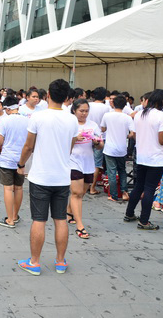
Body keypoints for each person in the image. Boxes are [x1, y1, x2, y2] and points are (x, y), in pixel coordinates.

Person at [16, 79, 78, 276]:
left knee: (39, 219)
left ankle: (34, 262)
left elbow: (28, 146)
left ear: (47, 95)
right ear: (67, 97)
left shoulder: (38, 117)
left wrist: (21, 164)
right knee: (60, 219)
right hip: (61, 176)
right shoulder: (72, 119)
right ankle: (60, 261)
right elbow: (70, 145)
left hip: (41, 176)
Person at [125, 89, 163, 230]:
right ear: (162, 101)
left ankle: (129, 214)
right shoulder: (162, 116)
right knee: (149, 189)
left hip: (141, 156)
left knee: (139, 186)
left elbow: (135, 135)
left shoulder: (139, 115)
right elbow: (162, 140)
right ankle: (144, 221)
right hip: (156, 159)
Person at [67, 99, 103, 239]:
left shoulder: (93, 125)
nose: (84, 114)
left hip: (88, 162)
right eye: (81, 111)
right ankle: (80, 226)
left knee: (81, 192)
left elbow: (101, 145)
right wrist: (75, 139)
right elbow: (64, 144)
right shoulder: (70, 124)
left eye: (86, 111)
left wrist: (97, 143)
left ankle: (70, 211)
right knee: (76, 193)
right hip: (72, 161)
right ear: (74, 110)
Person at [0, 96, 29, 228]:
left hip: (7, 158)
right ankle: (15, 216)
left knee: (8, 189)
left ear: (7, 109)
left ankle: (9, 219)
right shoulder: (27, 121)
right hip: (21, 159)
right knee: (19, 188)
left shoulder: (4, 121)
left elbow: (0, 141)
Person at [101, 95, 135, 202]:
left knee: (111, 172)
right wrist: (126, 135)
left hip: (109, 149)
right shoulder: (127, 117)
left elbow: (102, 128)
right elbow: (132, 133)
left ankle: (114, 195)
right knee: (122, 170)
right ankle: (124, 192)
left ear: (113, 104)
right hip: (122, 149)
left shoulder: (107, 115)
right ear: (125, 105)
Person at [87, 87, 110, 195]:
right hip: (100, 136)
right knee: (97, 164)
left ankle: (85, 184)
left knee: (86, 160)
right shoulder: (106, 108)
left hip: (86, 134)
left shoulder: (89, 105)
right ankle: (92, 187)